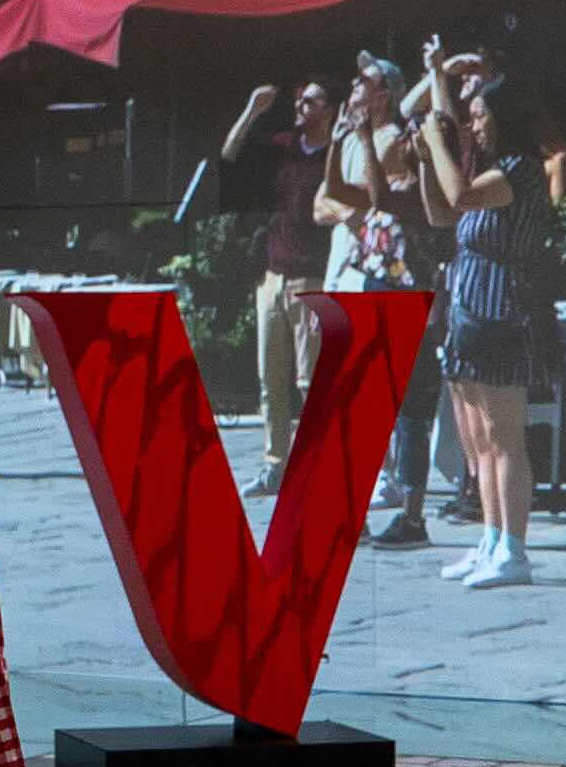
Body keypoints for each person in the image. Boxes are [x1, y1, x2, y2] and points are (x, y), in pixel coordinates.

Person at [412, 53, 543, 588]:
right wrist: (427, 159)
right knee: (476, 440)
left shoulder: (517, 171)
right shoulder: (486, 171)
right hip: (467, 311)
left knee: (503, 434)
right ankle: (490, 538)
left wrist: (438, 142)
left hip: (501, 312)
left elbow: (461, 195)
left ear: (505, 119)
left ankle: (515, 549)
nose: (476, 125)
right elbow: (441, 212)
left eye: (482, 115)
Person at [320, 54, 437, 549]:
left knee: (409, 408)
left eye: (363, 80)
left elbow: (378, 198)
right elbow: (333, 192)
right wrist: (336, 142)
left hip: (407, 285)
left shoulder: (402, 162)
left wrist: (365, 137)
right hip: (376, 282)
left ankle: (413, 516)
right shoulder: (370, 150)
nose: (353, 84)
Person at [224, 80, 335, 492]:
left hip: (312, 277)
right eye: (299, 98)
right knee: (270, 380)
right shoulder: (286, 146)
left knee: (311, 383)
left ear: (329, 110)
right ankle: (275, 465)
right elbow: (230, 154)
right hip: (272, 276)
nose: (300, 104)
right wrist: (252, 110)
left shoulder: (335, 153)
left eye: (311, 99)